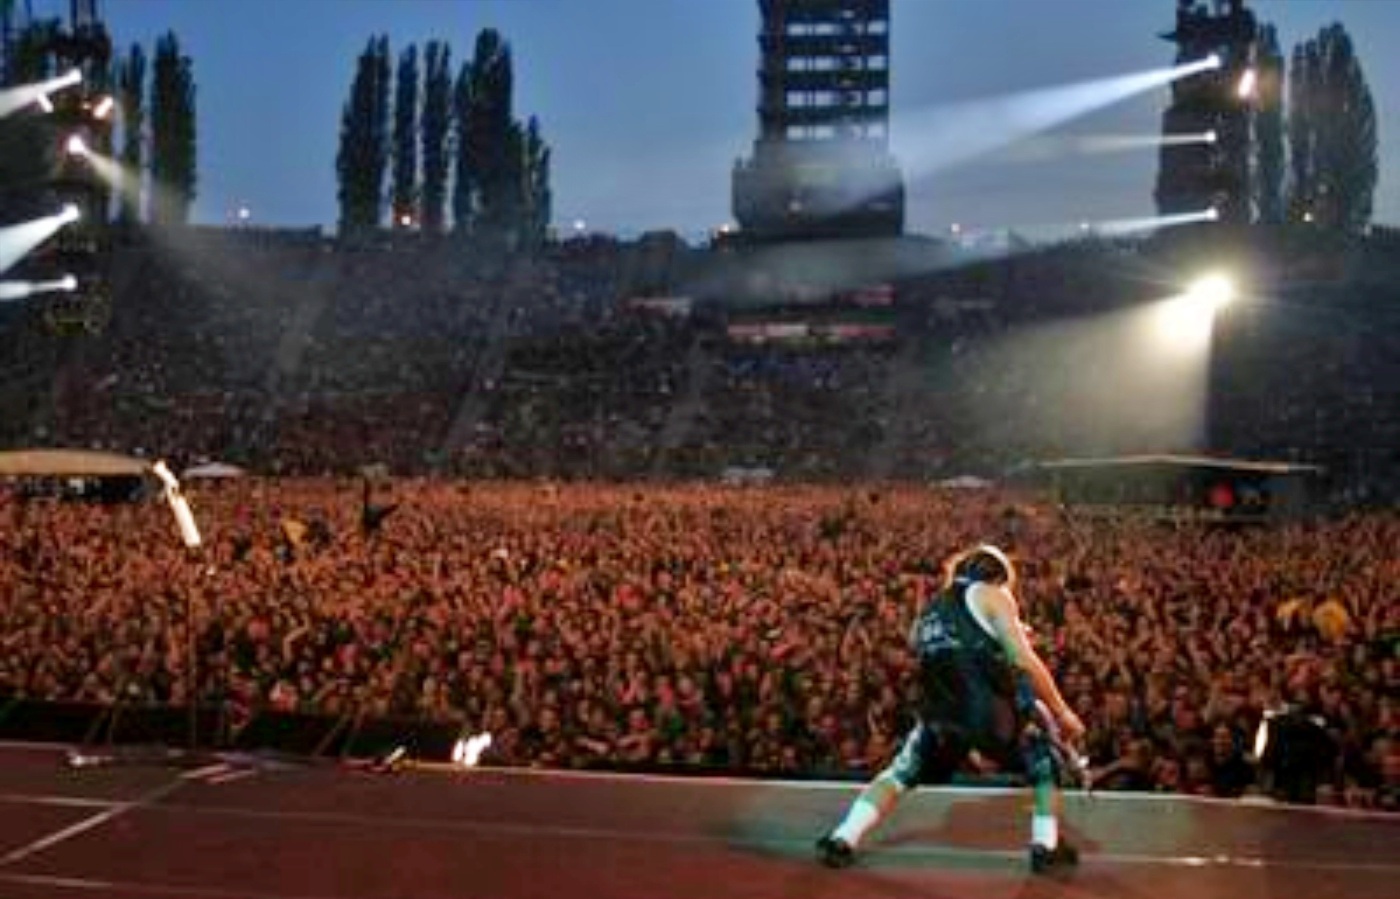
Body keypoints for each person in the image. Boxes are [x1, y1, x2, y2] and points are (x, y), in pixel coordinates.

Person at [816, 544, 1086, 874]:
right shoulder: (992, 594)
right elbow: (1021, 660)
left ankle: (843, 837)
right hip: (988, 712)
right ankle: (1045, 847)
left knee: (898, 774)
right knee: (1045, 763)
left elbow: (934, 650)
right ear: (996, 576)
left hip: (939, 714)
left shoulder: (929, 611)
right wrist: (1062, 711)